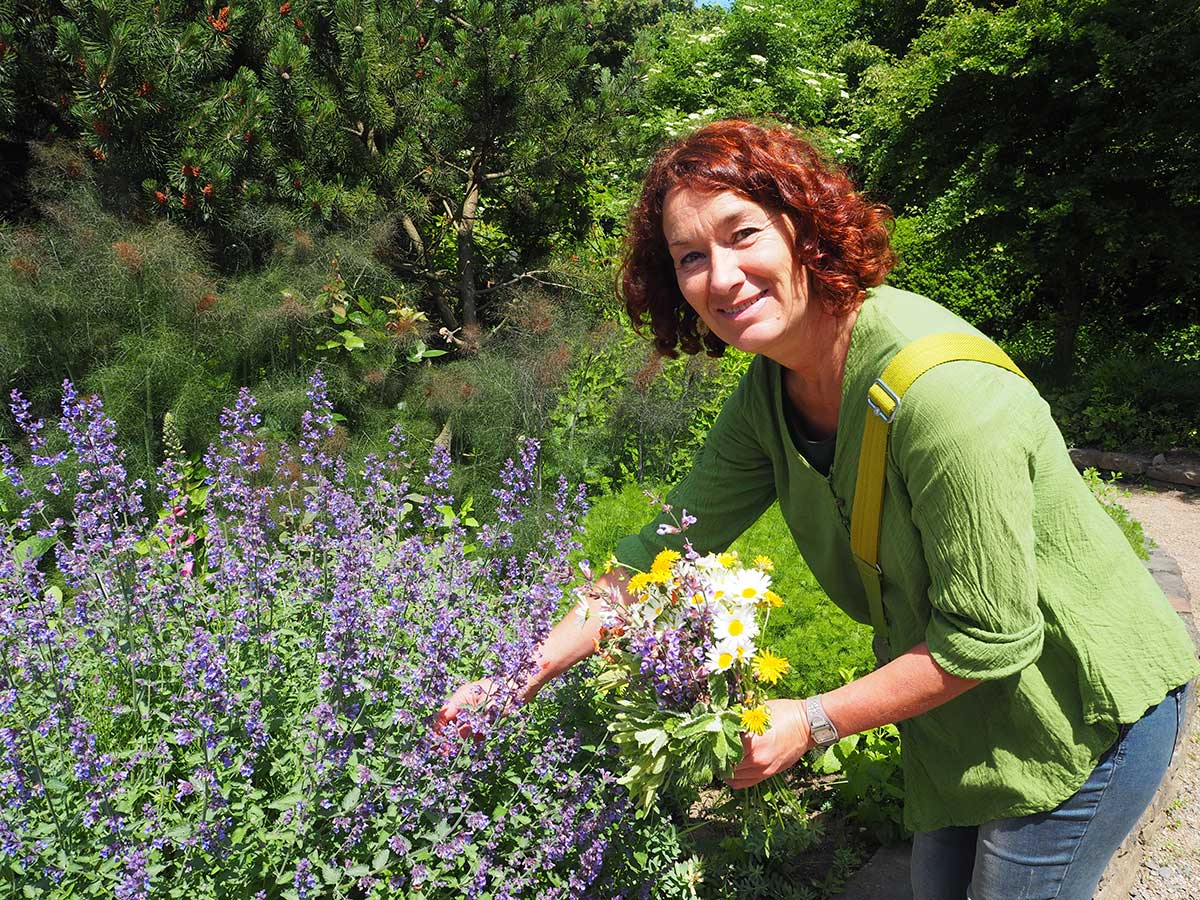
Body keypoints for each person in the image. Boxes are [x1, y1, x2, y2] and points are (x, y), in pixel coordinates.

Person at [439, 119, 1199, 900]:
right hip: (959, 711)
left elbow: (992, 637)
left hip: (1081, 708)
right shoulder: (771, 390)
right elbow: (652, 554)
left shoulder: (943, 398)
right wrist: (512, 680)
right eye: (690, 257)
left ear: (803, 228)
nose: (722, 277)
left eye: (743, 234)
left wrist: (813, 719)